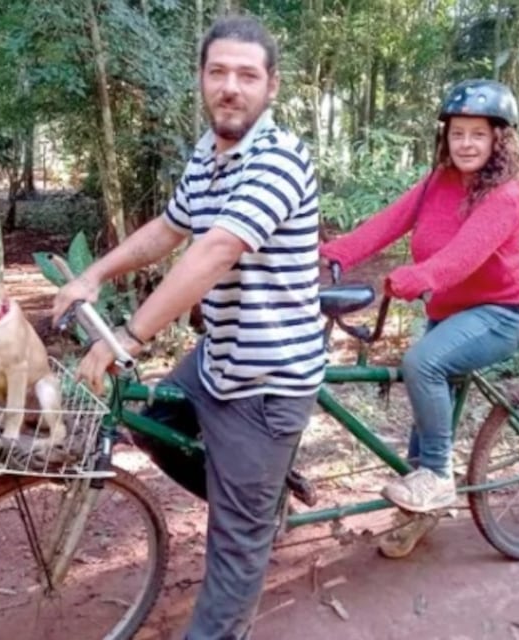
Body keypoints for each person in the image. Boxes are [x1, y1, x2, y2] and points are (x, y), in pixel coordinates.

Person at [52, 15, 324, 640]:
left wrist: (128, 337)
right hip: (216, 357)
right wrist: (93, 275)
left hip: (267, 379)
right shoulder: (209, 153)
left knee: (234, 545)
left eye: (247, 75)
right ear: (201, 78)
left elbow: (215, 251)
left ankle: (249, 518)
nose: (230, 86)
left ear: (272, 86)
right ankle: (259, 499)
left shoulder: (278, 159)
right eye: (218, 72)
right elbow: (171, 229)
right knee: (154, 423)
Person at [319, 79, 519, 553]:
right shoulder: (439, 181)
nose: (466, 143)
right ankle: (420, 507)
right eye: (458, 133)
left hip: (499, 314)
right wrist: (337, 252)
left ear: (499, 138)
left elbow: (463, 256)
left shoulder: (507, 194)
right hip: (450, 316)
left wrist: (420, 276)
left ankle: (436, 477)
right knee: (425, 400)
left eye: (478, 134)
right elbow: (390, 221)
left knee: (422, 363)